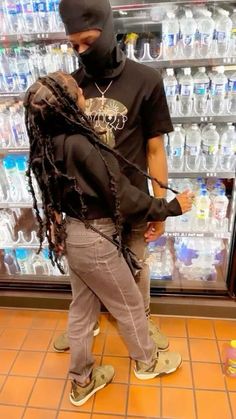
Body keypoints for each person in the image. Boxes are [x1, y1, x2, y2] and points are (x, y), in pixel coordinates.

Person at [24, 71, 194, 406]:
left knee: (83, 310)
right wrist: (168, 207)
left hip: (73, 235)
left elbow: (51, 200)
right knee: (129, 304)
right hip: (97, 238)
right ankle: (148, 362)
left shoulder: (45, 145)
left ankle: (82, 381)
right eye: (78, 93)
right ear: (70, 106)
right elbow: (125, 199)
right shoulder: (83, 145)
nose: (83, 94)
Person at [54, 0, 175, 352]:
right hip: (85, 206)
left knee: (137, 264)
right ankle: (85, 325)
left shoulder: (146, 81)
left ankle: (143, 322)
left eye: (89, 42)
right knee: (82, 277)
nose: (81, 52)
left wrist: (159, 206)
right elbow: (60, 154)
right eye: (74, 45)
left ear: (107, 30)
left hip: (132, 200)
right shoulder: (70, 86)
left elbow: (155, 150)